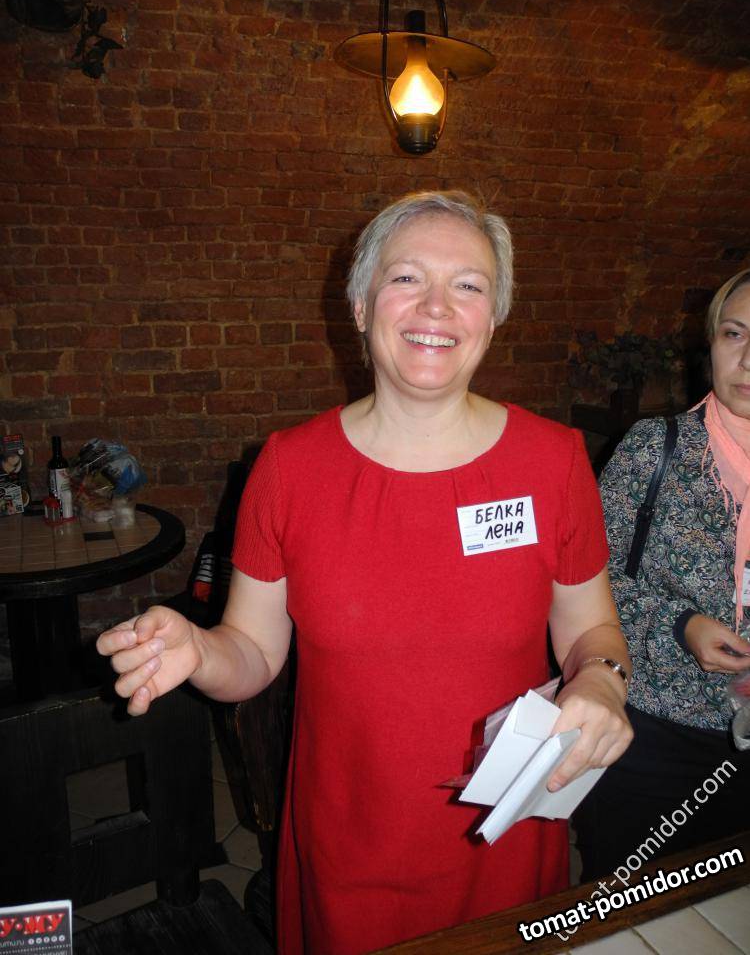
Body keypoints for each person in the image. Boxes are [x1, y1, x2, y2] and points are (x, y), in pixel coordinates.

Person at [97, 190, 632, 955]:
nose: (437, 307)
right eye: (406, 278)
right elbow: (252, 653)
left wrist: (603, 681)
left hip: (506, 836)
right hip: (347, 844)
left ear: (494, 316)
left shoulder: (553, 461)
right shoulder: (289, 468)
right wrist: (199, 650)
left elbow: (591, 629)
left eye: (468, 285)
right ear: (358, 304)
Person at [573, 268, 750, 881]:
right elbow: (585, 588)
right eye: (734, 334)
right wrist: (681, 626)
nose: (748, 359)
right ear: (711, 346)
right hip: (657, 741)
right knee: (627, 902)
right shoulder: (656, 449)